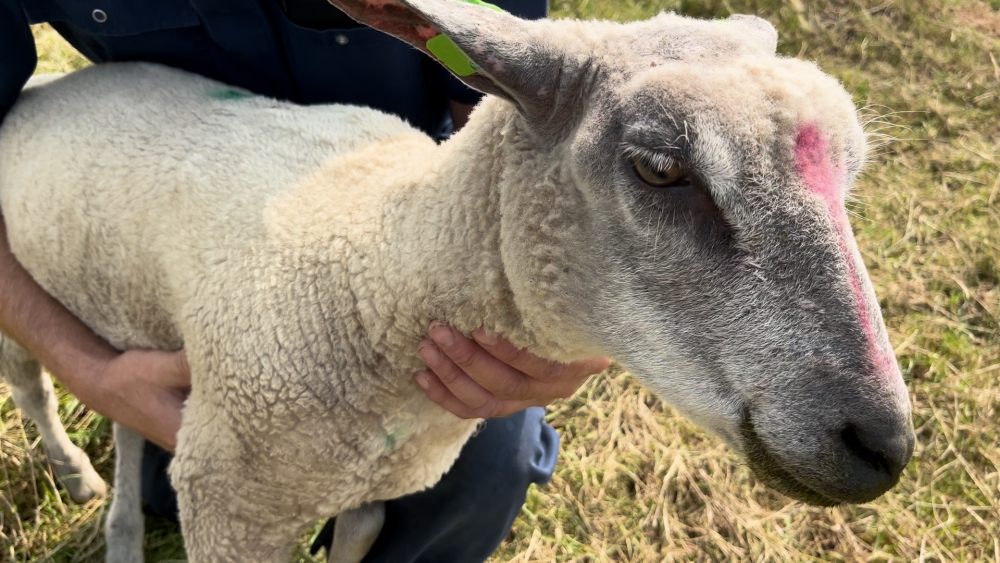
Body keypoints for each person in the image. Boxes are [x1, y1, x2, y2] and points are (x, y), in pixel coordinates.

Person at [0, 1, 611, 560]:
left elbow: (515, 137)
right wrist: (92, 374)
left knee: (487, 467)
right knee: (214, 482)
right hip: (178, 237)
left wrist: (579, 334)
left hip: (409, 238)